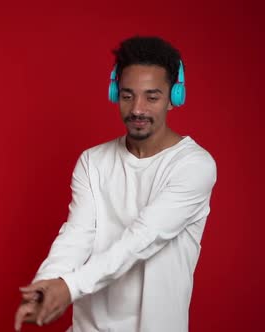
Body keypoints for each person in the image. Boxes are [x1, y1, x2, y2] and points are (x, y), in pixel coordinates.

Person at [14, 36, 217, 332]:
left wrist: (69, 287)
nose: (137, 109)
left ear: (174, 97)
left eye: (152, 96)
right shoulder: (92, 161)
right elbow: (77, 234)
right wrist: (47, 283)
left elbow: (142, 238)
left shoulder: (194, 166)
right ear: (114, 93)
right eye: (127, 95)